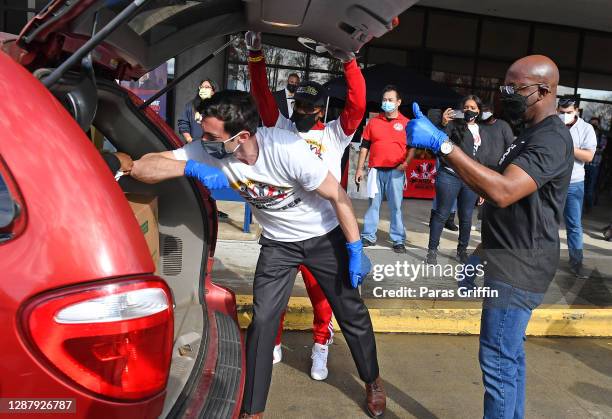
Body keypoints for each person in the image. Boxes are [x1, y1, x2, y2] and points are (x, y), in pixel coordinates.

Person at [129, 90, 386, 419]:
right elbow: (142, 168)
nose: (202, 140)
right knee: (263, 322)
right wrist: (189, 167)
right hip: (278, 245)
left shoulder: (287, 149)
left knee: (351, 314)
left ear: (242, 137)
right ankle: (253, 411)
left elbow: (338, 196)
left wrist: (353, 247)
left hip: (323, 237)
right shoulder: (208, 150)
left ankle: (372, 379)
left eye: (210, 135)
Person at [407, 55, 574, 419]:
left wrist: (444, 147)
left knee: (497, 360)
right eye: (505, 87)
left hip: (519, 267)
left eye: (515, 88)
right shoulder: (528, 132)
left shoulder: (551, 138)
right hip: (507, 257)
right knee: (509, 357)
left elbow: (502, 191)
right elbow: (501, 194)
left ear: (544, 90)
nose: (507, 94)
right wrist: (480, 253)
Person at [245, 31, 366, 380]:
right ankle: (273, 344)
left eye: (309, 108)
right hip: (283, 233)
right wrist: (255, 54)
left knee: (323, 301)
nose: (301, 112)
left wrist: (349, 62)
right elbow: (262, 95)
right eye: (298, 105)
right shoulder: (280, 126)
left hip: (322, 233)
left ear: (321, 110)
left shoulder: (334, 133)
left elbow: (357, 105)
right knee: (274, 303)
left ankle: (320, 348)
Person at [426, 95, 490, 265]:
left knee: (466, 217)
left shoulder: (483, 130)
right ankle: (432, 251)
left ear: (479, 111)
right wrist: (444, 123)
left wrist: (482, 185)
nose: (469, 111)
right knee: (441, 213)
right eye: (466, 107)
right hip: (449, 175)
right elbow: (437, 144)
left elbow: (483, 158)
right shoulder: (454, 125)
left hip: (470, 179)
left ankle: (462, 251)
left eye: (473, 108)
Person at [355, 85, 413, 253]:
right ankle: (368, 236)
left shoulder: (406, 123)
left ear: (399, 102)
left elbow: (412, 147)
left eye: (390, 100)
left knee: (396, 207)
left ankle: (397, 239)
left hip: (396, 171)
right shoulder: (373, 122)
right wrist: (360, 168)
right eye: (385, 100)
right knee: (373, 205)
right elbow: (365, 146)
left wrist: (407, 162)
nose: (387, 103)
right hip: (376, 171)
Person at [557, 97, 597, 278]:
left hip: (574, 184)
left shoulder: (586, 129)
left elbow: (588, 156)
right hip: (552, 182)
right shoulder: (552, 125)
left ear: (577, 111)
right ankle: (543, 259)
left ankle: (576, 263)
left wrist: (568, 147)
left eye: (568, 113)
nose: (564, 116)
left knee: (574, 225)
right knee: (546, 222)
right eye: (561, 112)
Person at [178, 79, 218, 143]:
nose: (203, 89)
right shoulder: (191, 105)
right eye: (201, 87)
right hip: (194, 144)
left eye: (207, 87)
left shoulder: (218, 107)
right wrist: (189, 139)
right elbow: (183, 123)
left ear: (213, 91)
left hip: (212, 145)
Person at [584, 116, 607, 212]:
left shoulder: (602, 136)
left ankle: (589, 206)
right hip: (583, 165)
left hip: (594, 166)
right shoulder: (585, 134)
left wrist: (588, 149)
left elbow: (601, 150)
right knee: (581, 188)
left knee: (589, 189)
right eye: (591, 124)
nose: (593, 126)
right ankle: (582, 208)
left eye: (595, 124)